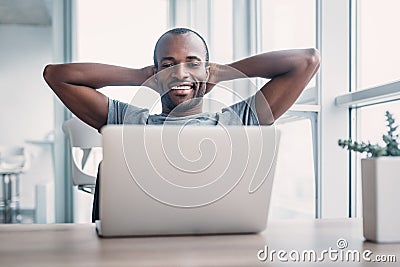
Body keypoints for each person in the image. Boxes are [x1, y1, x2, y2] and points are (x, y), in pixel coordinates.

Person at [43, 28, 320, 222]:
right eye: (168, 65)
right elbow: (57, 75)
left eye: (192, 63)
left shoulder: (237, 122)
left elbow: (307, 60)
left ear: (207, 70)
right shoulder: (129, 122)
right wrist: (142, 76)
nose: (180, 73)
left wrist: (223, 72)